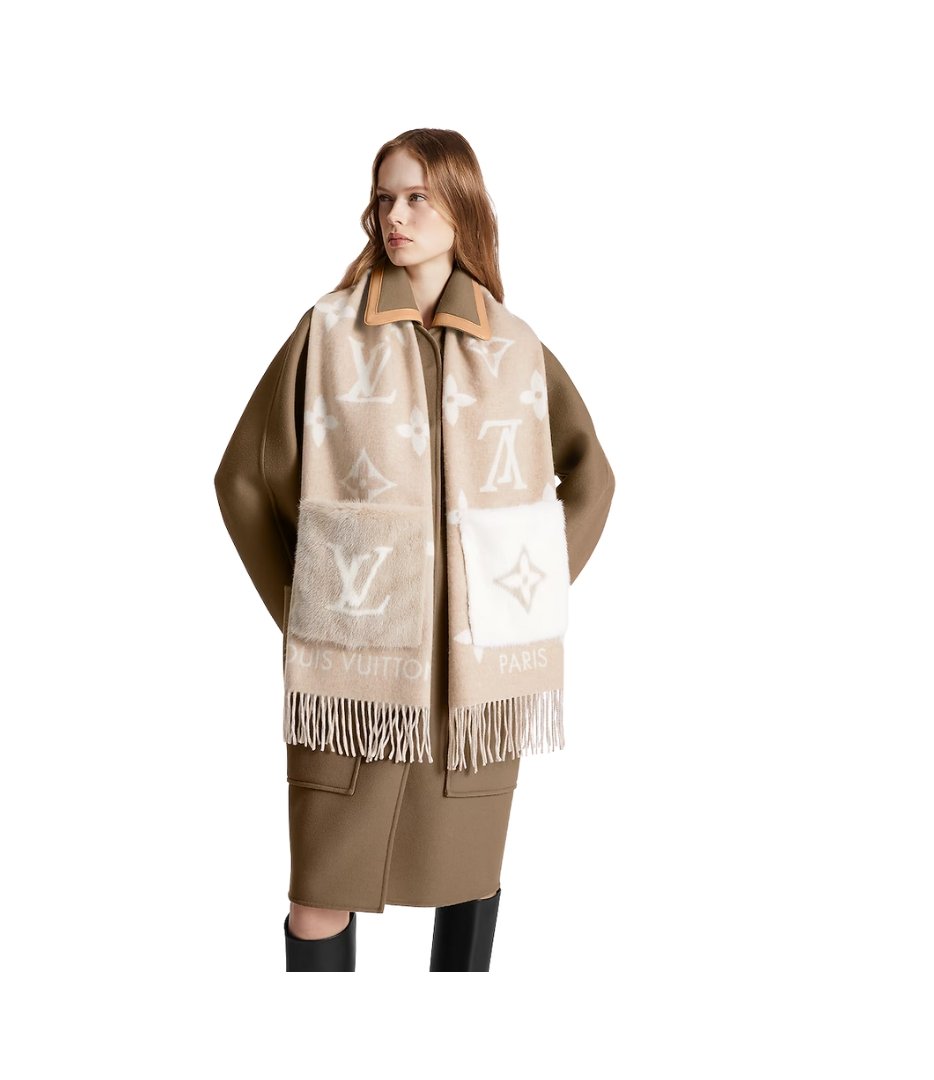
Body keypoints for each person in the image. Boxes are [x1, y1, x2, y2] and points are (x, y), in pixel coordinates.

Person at [214, 128, 615, 971]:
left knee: (470, 881)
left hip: (475, 681)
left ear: (461, 207)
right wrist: (306, 605)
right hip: (356, 677)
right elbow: (244, 480)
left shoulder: (514, 345)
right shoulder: (329, 331)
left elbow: (592, 477)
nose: (394, 216)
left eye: (416, 198)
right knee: (318, 895)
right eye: (384, 199)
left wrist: (522, 595)